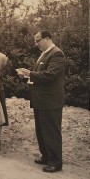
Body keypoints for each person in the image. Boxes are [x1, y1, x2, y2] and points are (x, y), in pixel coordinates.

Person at [19, 30, 65, 173]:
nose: (36, 44)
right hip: (41, 100)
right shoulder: (45, 54)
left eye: (38, 40)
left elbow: (50, 75)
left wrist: (30, 73)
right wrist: (27, 77)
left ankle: (56, 162)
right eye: (35, 41)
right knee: (42, 131)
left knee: (51, 131)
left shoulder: (57, 54)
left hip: (51, 101)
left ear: (48, 38)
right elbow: (41, 76)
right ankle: (46, 156)